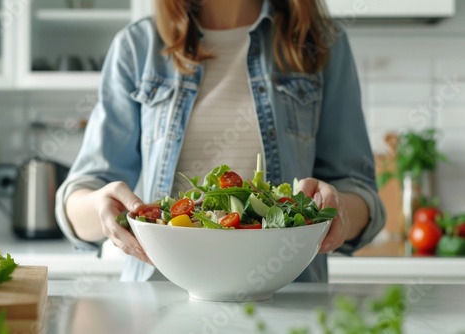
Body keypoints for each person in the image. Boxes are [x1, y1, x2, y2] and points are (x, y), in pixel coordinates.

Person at [55, 0, 386, 282]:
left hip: (287, 298)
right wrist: (101, 208)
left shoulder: (321, 42)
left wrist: (336, 208)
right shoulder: (138, 47)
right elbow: (78, 202)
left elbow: (361, 195)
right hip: (159, 299)